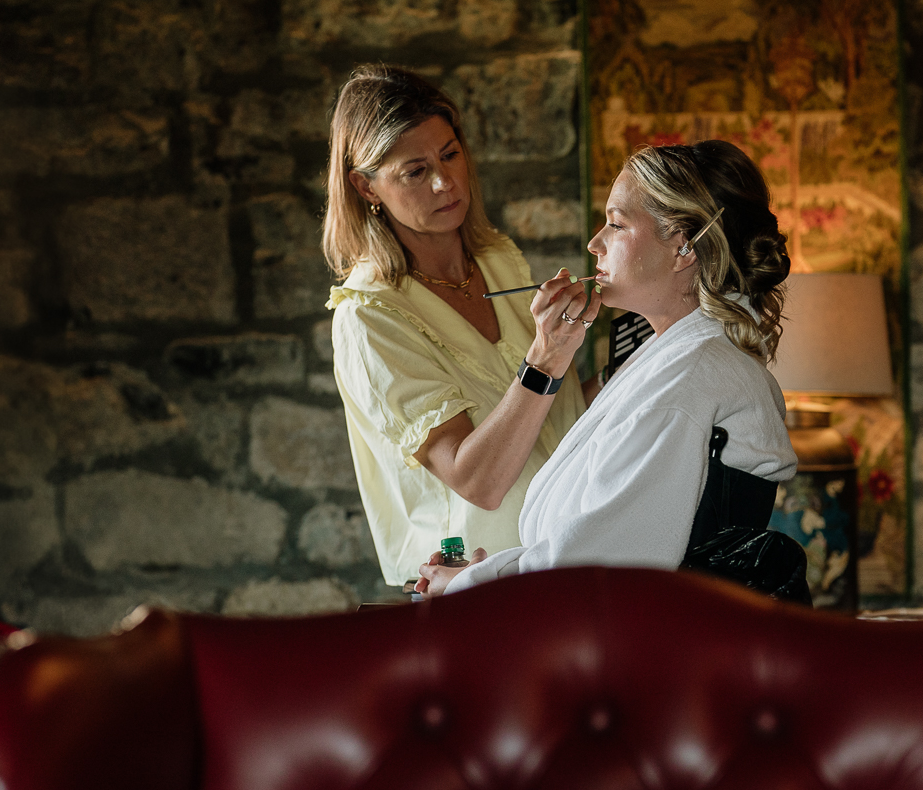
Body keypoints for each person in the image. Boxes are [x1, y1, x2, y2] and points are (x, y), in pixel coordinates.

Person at [417, 139, 797, 597]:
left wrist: (470, 583)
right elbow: (594, 541)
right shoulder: (673, 363)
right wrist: (488, 571)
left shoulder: (690, 378)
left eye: (616, 224)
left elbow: (596, 572)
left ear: (683, 245)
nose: (595, 243)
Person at [324, 65, 602, 589]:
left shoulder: (498, 259)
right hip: (477, 589)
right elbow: (480, 481)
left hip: (563, 560)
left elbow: (549, 427)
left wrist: (623, 372)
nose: (444, 182)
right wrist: (545, 359)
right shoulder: (368, 316)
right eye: (414, 170)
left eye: (450, 154)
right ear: (366, 187)